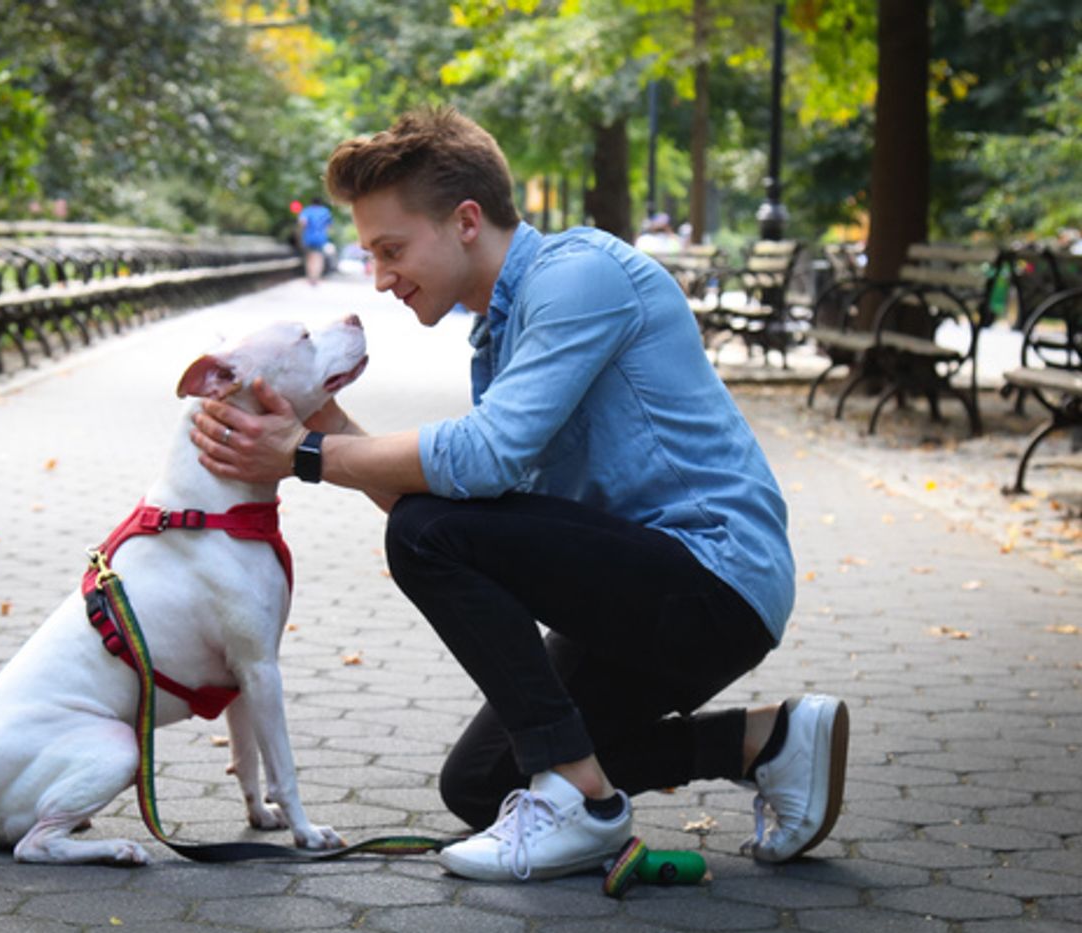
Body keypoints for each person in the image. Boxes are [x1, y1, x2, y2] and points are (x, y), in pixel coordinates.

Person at [190, 107, 848, 883]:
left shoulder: (580, 276)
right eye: (370, 254)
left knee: (431, 536)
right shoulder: (499, 334)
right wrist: (320, 419)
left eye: (391, 249)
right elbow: (464, 513)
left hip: (711, 580)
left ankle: (582, 801)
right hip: (638, 594)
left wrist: (306, 454)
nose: (380, 277)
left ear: (466, 220)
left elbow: (481, 466)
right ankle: (766, 742)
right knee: (479, 783)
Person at [298, 197, 334, 285]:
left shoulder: (307, 210)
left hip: (309, 237)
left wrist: (304, 230)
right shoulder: (325, 211)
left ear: (311, 203)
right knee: (319, 258)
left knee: (309, 257)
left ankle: (310, 277)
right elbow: (329, 225)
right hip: (321, 238)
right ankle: (316, 277)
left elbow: (303, 222)